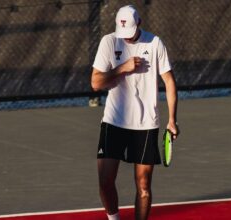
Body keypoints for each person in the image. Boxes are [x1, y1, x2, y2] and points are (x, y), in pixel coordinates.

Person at [90, 5, 179, 220]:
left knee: (144, 186)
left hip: (146, 125)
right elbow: (95, 83)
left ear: (138, 23)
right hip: (114, 122)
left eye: (130, 32)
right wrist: (122, 68)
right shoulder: (109, 42)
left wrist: (172, 120)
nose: (127, 38)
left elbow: (169, 82)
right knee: (105, 182)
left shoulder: (155, 43)